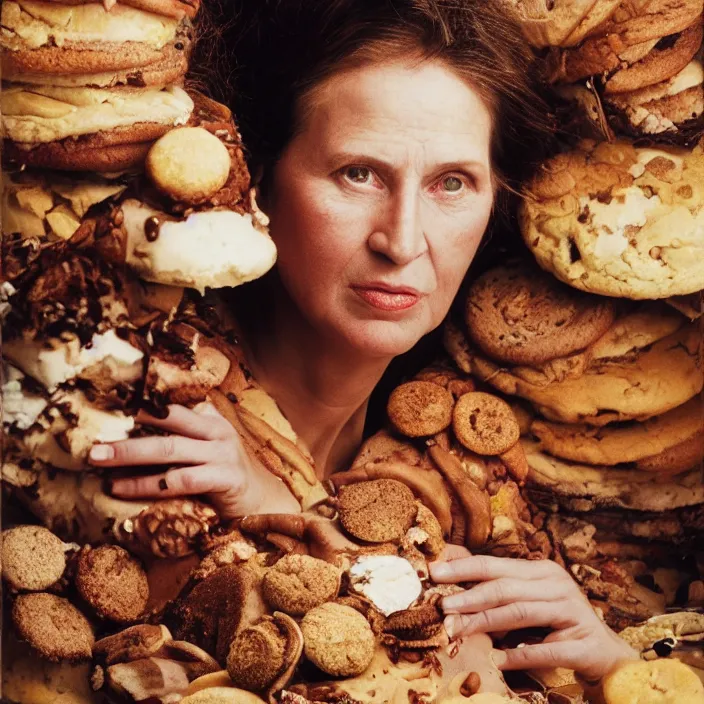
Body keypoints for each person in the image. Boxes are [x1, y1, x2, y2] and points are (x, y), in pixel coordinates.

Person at [87, 0, 638, 682]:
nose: (402, 241)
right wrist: (269, 511)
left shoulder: (460, 463)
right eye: (359, 173)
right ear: (255, 177)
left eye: (452, 183)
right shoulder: (157, 413)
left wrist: (613, 665)